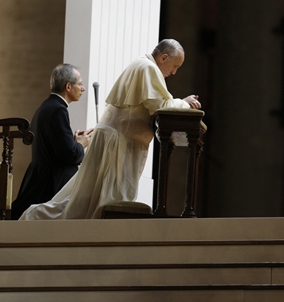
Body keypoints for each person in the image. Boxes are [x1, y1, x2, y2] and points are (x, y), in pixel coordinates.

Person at [21, 39, 201, 220]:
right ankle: (36, 218)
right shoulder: (147, 67)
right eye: (175, 66)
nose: (174, 72)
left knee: (91, 199)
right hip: (117, 142)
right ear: (163, 57)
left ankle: (41, 219)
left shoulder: (143, 64)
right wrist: (183, 103)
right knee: (99, 201)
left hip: (117, 139)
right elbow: (159, 105)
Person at [6, 63, 92, 220]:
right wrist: (80, 144)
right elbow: (69, 154)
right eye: (80, 84)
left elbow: (55, 147)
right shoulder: (58, 110)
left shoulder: (46, 107)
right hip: (52, 185)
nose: (83, 88)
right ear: (68, 86)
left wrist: (73, 140)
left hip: (41, 179)